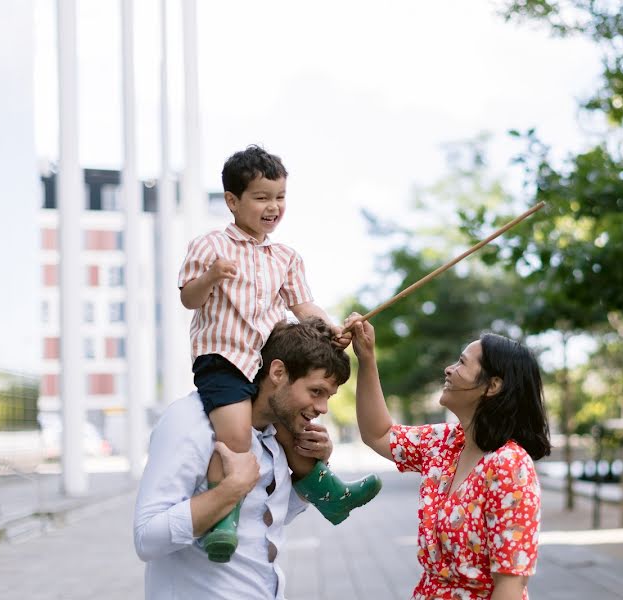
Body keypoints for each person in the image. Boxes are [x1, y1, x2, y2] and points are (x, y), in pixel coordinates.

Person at [177, 145, 380, 561]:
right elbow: (189, 300)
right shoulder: (210, 246)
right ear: (233, 201)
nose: (274, 206)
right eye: (262, 197)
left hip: (267, 360)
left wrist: (332, 329)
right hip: (223, 359)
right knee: (234, 437)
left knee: (293, 432)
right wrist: (212, 276)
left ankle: (331, 495)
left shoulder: (286, 257)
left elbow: (305, 308)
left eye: (280, 197)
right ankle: (221, 520)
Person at [134, 318, 367, 599]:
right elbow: (147, 538)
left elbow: (262, 522)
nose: (322, 408)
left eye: (328, 396)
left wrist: (318, 465)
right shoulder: (190, 421)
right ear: (278, 372)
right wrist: (229, 492)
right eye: (316, 391)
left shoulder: (274, 434)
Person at [348, 315, 551, 600]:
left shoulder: (509, 466)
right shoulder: (445, 442)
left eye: (462, 363)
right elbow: (377, 434)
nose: (448, 369)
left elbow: (510, 586)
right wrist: (366, 357)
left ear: (493, 386)